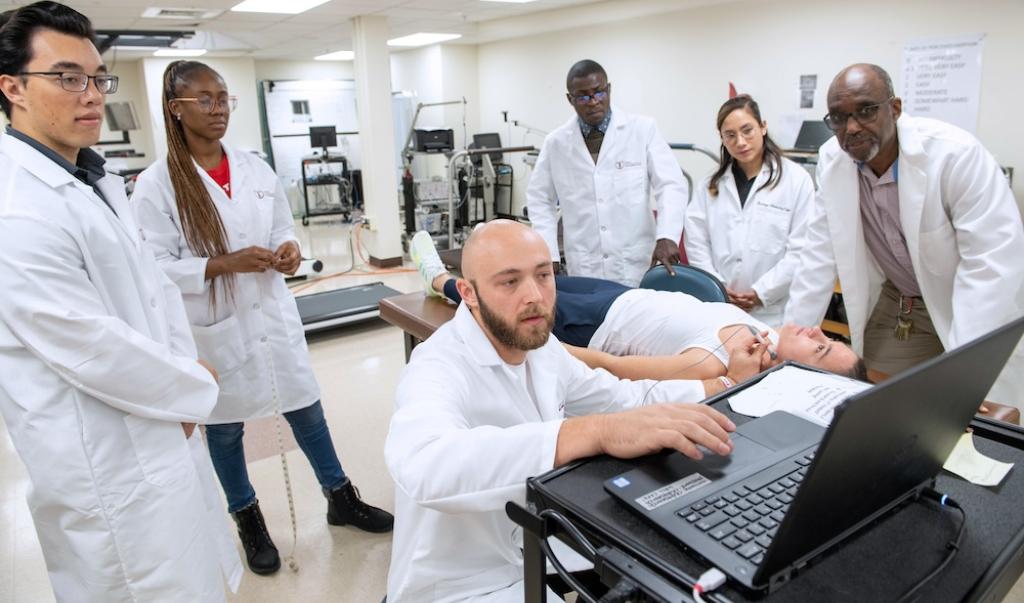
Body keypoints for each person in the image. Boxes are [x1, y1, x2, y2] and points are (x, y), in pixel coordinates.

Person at [0, 3, 241, 600]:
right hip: (106, 459)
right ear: (12, 88)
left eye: (96, 77)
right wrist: (191, 384)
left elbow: (154, 292)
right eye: (66, 77)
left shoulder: (93, 178)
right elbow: (86, 344)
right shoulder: (16, 206)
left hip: (160, 424)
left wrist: (184, 379)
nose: (91, 94)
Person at [386, 220, 749, 603]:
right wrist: (590, 432)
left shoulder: (542, 351)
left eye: (543, 275)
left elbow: (623, 399)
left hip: (529, 549)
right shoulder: (437, 364)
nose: (535, 296)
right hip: (460, 583)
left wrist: (720, 389)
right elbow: (424, 465)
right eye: (509, 282)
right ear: (468, 293)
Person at [131, 60, 392, 576]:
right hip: (214, 328)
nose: (218, 108)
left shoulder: (254, 167)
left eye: (224, 97)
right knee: (225, 431)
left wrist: (289, 248)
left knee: (307, 411)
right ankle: (247, 517)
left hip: (270, 317)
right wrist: (222, 264)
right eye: (203, 99)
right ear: (174, 108)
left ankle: (340, 497)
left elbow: (281, 225)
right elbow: (154, 268)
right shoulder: (157, 185)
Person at [783, 63, 1024, 408]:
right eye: (838, 117)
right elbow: (818, 255)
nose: (851, 127)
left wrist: (961, 371)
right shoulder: (832, 161)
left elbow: (991, 267)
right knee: (876, 404)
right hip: (903, 301)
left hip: (971, 303)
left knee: (967, 413)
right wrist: (791, 345)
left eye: (865, 110)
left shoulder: (954, 154)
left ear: (894, 109)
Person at [409, 230, 864, 386]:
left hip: (593, 326)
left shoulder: (717, 365)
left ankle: (440, 279)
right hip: (619, 294)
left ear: (794, 375)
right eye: (832, 337)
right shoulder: (762, 334)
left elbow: (612, 367)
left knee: (505, 295)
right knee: (539, 274)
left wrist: (543, 346)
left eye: (821, 350)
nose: (817, 333)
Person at [527, 59, 688, 287]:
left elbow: (671, 185)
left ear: (609, 89)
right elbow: (540, 199)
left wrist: (668, 236)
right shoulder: (556, 143)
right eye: (583, 96)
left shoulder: (642, 130)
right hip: (584, 265)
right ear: (570, 99)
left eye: (598, 92)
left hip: (637, 262)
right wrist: (548, 253)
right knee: (593, 322)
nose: (593, 102)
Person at [684, 95, 815, 327]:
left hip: (774, 311)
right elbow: (696, 243)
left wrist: (760, 292)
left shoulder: (796, 180)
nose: (741, 142)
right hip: (721, 307)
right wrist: (717, 286)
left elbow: (801, 249)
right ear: (722, 139)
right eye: (730, 135)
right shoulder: (709, 185)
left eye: (747, 131)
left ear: (763, 127)